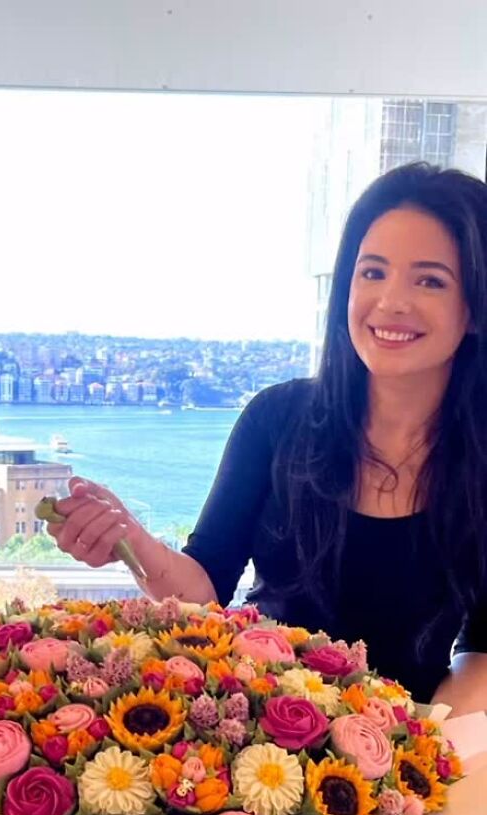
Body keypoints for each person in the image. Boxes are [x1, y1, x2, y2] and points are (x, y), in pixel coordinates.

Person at [48, 162, 487, 720]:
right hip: (258, 732)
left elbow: (482, 651)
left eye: (430, 281)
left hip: (408, 743)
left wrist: (419, 741)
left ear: (474, 309)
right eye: (372, 272)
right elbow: (206, 588)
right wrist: (130, 541)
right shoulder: (277, 419)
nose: (390, 301)